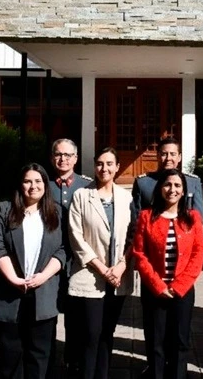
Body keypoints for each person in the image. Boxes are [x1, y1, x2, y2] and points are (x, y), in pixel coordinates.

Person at [0, 163, 66, 378]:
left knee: (39, 356)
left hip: (43, 292)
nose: (33, 186)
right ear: (20, 184)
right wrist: (13, 278)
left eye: (38, 181)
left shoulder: (57, 212)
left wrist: (43, 276)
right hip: (9, 292)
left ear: (46, 185)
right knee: (10, 356)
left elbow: (64, 250)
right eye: (28, 181)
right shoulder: (4, 209)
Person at [131, 169, 203, 379]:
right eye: (167, 185)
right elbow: (139, 253)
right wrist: (158, 286)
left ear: (183, 191)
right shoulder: (146, 217)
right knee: (156, 342)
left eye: (177, 186)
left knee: (180, 342)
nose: (172, 190)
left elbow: (198, 253)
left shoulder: (192, 217)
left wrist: (179, 286)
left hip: (182, 292)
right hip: (154, 291)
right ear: (159, 188)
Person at [68, 147, 135, 379]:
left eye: (109, 164)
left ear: (117, 167)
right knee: (91, 334)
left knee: (107, 334)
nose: (104, 168)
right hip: (90, 275)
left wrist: (121, 267)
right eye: (99, 163)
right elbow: (76, 238)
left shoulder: (127, 198)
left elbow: (133, 237)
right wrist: (102, 268)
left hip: (118, 276)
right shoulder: (81, 196)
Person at [48, 138, 92, 378]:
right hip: (50, 261)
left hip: (77, 261)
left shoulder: (88, 186)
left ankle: (73, 359)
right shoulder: (43, 185)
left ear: (76, 158)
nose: (62, 159)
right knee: (49, 312)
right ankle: (49, 358)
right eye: (58, 154)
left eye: (67, 155)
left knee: (76, 316)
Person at [132, 136, 203, 219]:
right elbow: (136, 219)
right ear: (157, 156)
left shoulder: (192, 182)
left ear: (179, 157)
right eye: (164, 154)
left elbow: (199, 219)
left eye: (173, 154)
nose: (168, 158)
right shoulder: (143, 183)